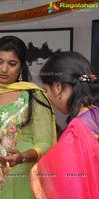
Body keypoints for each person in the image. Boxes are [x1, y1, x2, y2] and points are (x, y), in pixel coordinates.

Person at [0, 35, 56, 199]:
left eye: (12, 64)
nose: (4, 69)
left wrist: (22, 157)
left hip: (19, 179)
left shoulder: (33, 96)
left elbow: (45, 143)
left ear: (21, 66)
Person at [31, 51, 99, 199]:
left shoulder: (78, 131)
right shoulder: (95, 116)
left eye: (46, 90)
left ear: (57, 87)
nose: (47, 96)